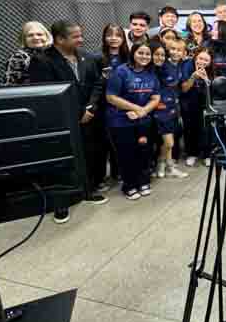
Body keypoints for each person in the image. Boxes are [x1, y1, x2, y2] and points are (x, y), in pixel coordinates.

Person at [29, 21, 108, 224]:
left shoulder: (87, 57)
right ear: (60, 39)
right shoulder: (42, 61)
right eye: (75, 36)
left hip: (89, 117)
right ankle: (61, 202)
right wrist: (78, 112)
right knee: (64, 161)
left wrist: (90, 108)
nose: (81, 39)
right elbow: (46, 95)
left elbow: (97, 82)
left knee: (88, 154)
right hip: (63, 121)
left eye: (80, 35)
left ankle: (87, 190)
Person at [106, 42, 161, 200]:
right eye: (140, 53)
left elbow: (156, 97)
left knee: (144, 153)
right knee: (127, 154)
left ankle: (144, 181)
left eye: (147, 54)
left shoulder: (151, 72)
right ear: (133, 53)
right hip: (121, 121)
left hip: (143, 120)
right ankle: (129, 185)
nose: (144, 57)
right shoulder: (121, 71)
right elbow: (111, 97)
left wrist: (143, 111)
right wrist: (136, 108)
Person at [97, 23, 130, 189]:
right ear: (104, 37)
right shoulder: (98, 58)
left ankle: (120, 173)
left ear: (123, 38)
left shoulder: (128, 58)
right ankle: (102, 177)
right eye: (110, 35)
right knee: (106, 142)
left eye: (118, 35)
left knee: (123, 142)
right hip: (106, 106)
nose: (114, 38)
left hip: (126, 105)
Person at [150, 40, 188, 179]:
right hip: (161, 108)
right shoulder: (161, 65)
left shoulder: (179, 66)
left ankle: (166, 166)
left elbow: (179, 88)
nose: (175, 52)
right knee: (168, 142)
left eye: (179, 50)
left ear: (184, 53)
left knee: (170, 140)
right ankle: (162, 164)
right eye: (172, 49)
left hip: (173, 108)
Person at [180, 47, 214, 167]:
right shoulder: (187, 66)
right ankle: (191, 153)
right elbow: (184, 88)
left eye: (206, 60)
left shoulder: (211, 70)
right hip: (189, 101)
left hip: (205, 101)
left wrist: (206, 80)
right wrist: (193, 77)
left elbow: (213, 91)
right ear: (195, 57)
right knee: (189, 127)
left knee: (206, 128)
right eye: (200, 58)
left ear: (210, 62)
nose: (202, 62)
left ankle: (207, 154)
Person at [5, 21, 52, 85]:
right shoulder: (18, 57)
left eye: (39, 34)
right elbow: (11, 85)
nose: (36, 38)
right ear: (24, 39)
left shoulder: (55, 53)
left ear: (47, 36)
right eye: (30, 35)